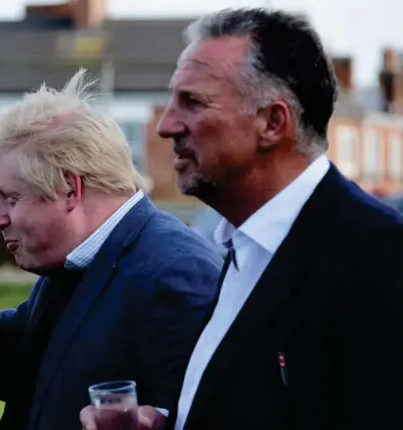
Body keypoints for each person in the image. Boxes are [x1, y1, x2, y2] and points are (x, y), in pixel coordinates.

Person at [81, 7, 403, 430]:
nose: (166, 125)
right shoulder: (244, 248)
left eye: (192, 102)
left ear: (272, 122)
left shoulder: (378, 257)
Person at [0, 69, 223, 430]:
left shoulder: (176, 274)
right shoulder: (76, 261)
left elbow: (209, 413)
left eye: (11, 198)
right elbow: (23, 375)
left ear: (70, 189)